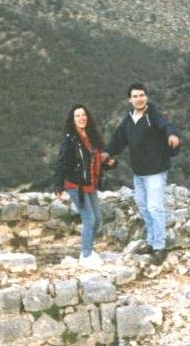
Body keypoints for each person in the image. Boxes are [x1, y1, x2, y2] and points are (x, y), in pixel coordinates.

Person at [103, 83, 180, 265]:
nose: (139, 99)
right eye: (135, 96)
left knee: (154, 207)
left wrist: (172, 136)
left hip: (156, 170)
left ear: (146, 97)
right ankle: (152, 242)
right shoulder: (129, 120)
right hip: (139, 172)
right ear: (130, 99)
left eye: (142, 95)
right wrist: (107, 153)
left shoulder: (153, 115)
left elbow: (166, 126)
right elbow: (118, 140)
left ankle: (160, 247)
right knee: (143, 206)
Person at [54, 104, 108, 269]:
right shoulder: (70, 139)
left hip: (90, 184)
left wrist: (110, 162)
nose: (81, 118)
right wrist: (58, 186)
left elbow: (95, 161)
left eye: (83, 115)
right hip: (75, 185)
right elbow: (62, 162)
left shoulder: (92, 136)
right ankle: (85, 256)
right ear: (72, 119)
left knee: (97, 219)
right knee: (89, 219)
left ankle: (89, 252)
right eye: (77, 116)